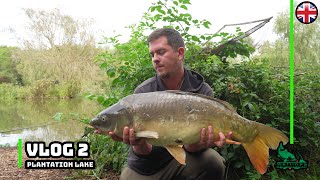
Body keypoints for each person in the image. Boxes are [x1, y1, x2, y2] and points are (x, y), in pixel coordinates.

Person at [96, 28, 232, 180]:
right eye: (152, 54)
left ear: (180, 53)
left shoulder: (201, 90)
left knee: (214, 162)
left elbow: (192, 149)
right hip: (149, 166)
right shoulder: (143, 93)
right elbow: (144, 152)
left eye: (160, 52)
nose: (155, 58)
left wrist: (200, 142)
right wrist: (138, 143)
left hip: (187, 161)